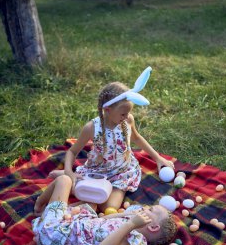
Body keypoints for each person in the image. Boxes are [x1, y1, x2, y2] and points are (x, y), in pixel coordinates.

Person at [47, 67, 174, 212]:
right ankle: (65, 178)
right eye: (123, 114)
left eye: (128, 113)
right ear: (107, 110)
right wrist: (69, 171)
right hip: (98, 171)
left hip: (121, 172)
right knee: (88, 192)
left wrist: (158, 158)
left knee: (109, 207)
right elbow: (72, 151)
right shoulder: (92, 128)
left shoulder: (127, 120)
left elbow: (137, 138)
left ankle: (70, 185)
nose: (126, 117)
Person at [32, 175, 177, 245]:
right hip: (69, 230)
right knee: (91, 205)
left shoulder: (138, 243)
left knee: (64, 180)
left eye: (150, 210)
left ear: (153, 227)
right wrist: (126, 217)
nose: (145, 208)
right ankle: (52, 212)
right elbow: (104, 219)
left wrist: (131, 224)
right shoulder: (130, 223)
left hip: (55, 237)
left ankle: (39, 207)